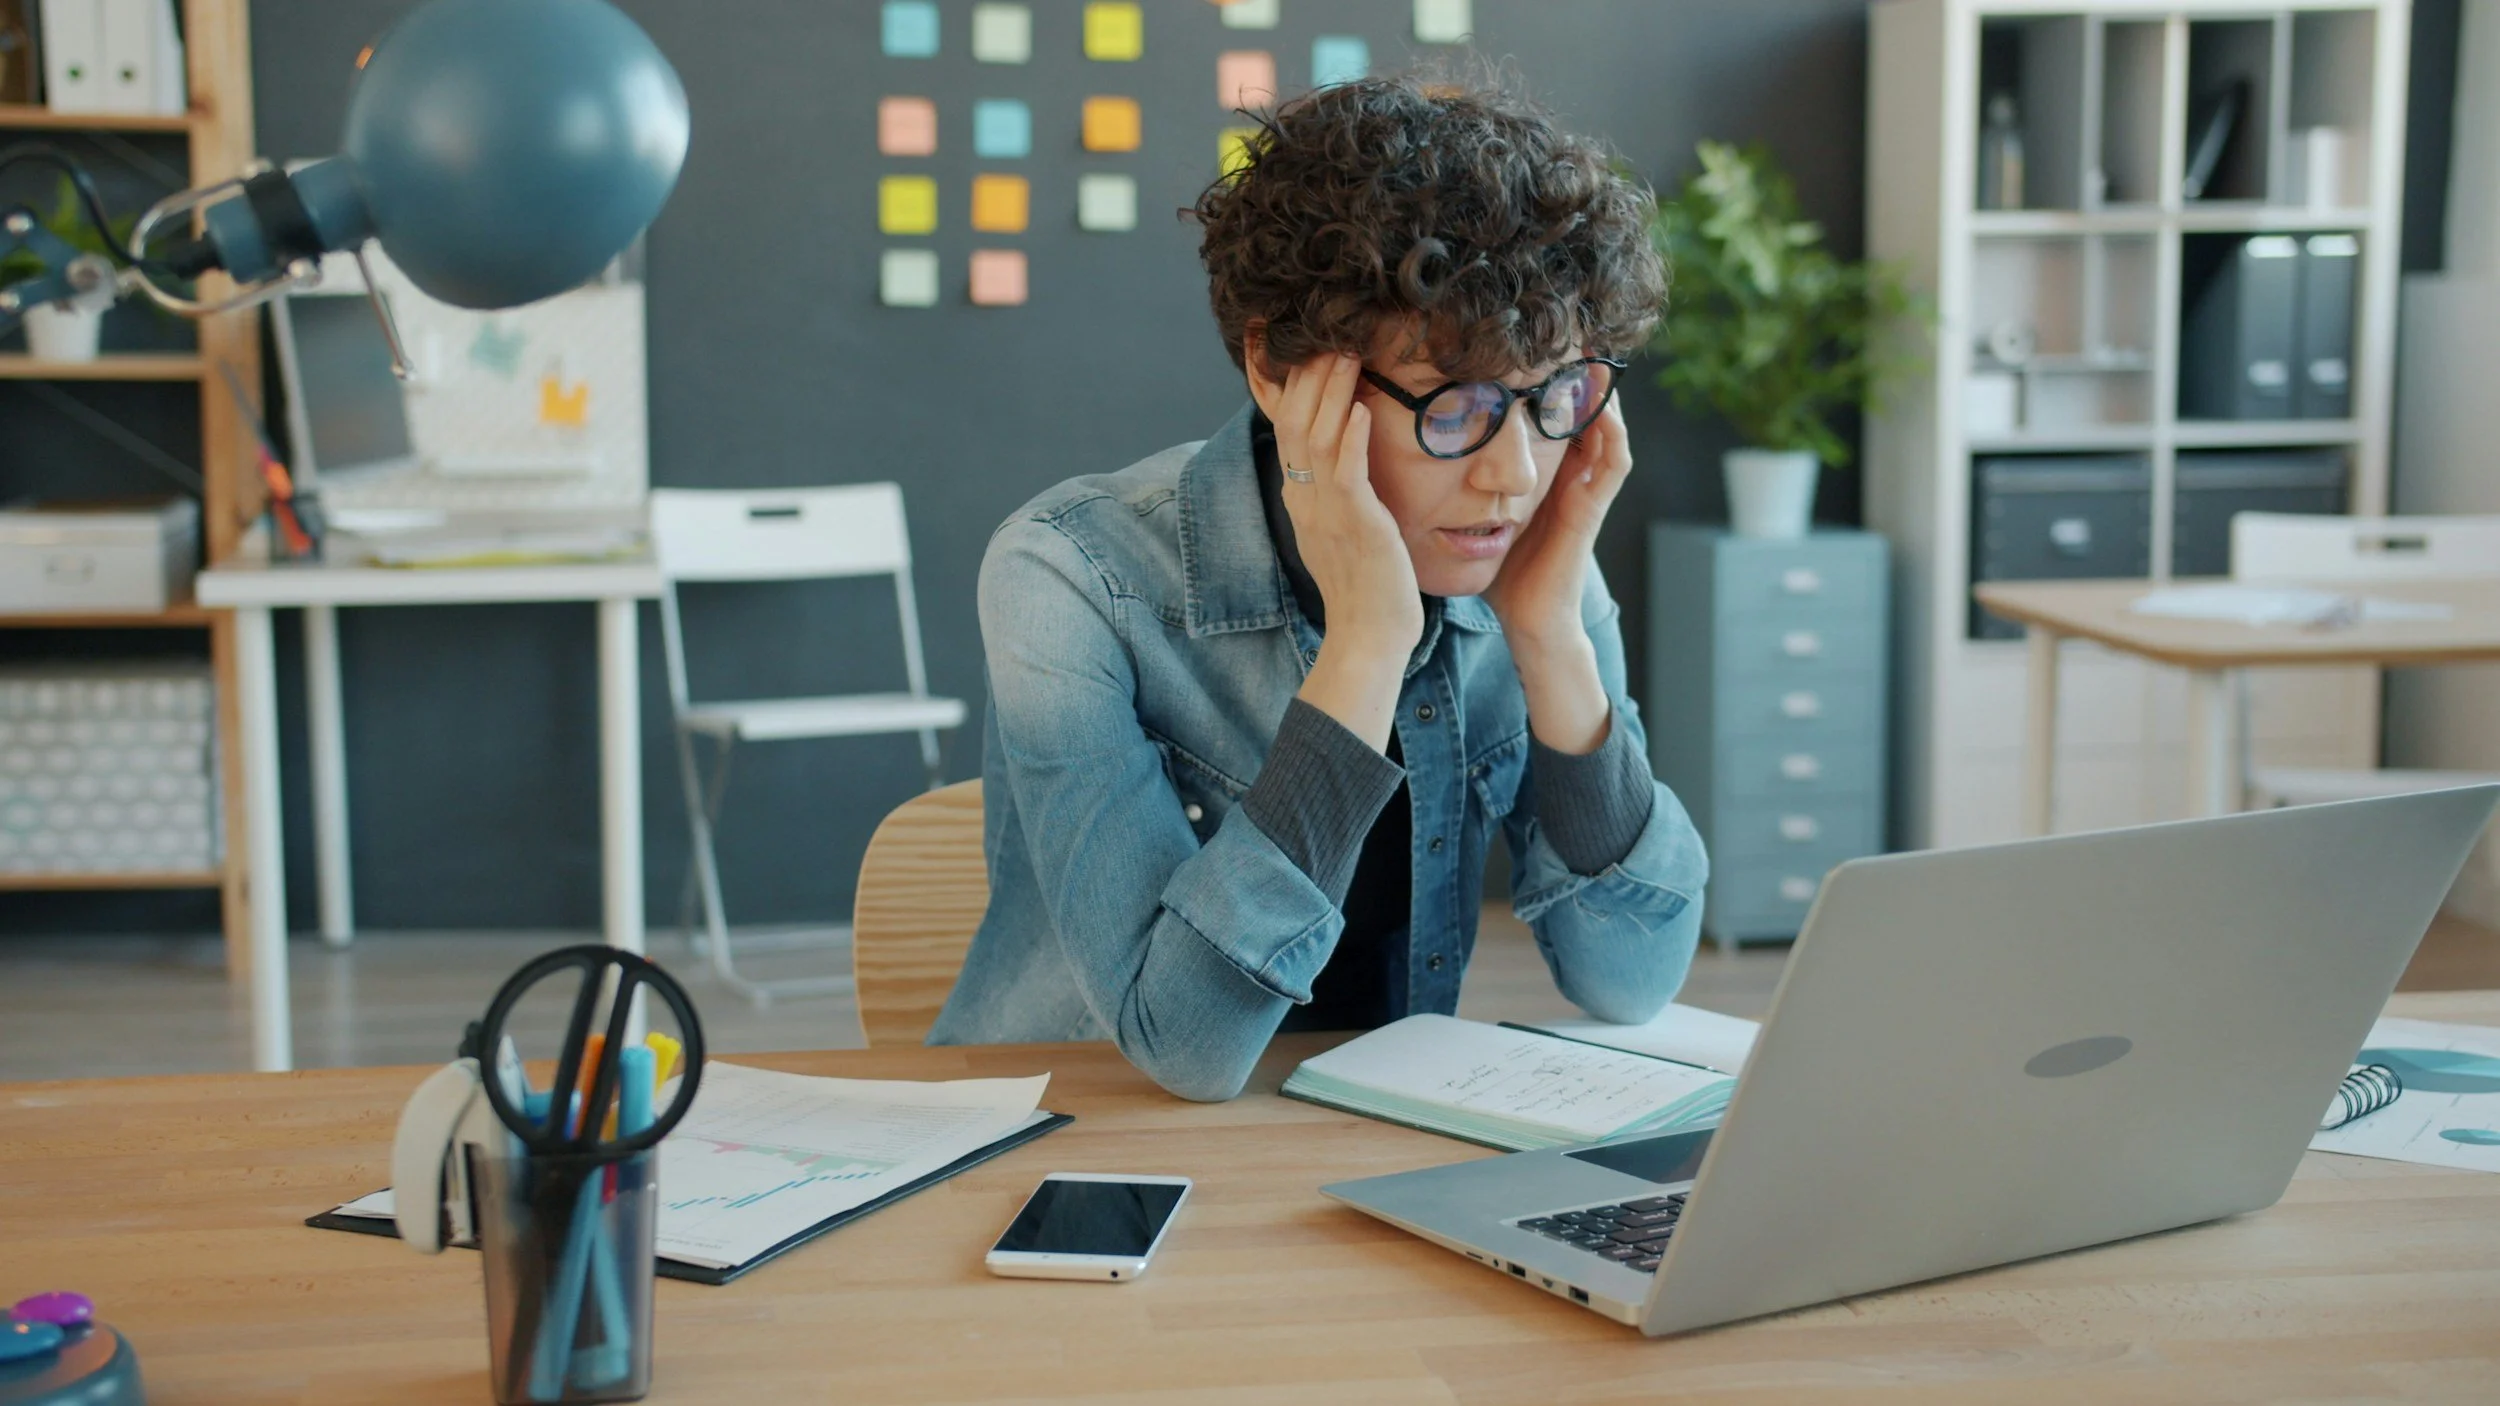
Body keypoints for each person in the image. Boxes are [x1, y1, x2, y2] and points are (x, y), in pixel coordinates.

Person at [928, 74, 1707, 1101]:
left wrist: (1553, 634)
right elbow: (1185, 1047)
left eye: (1553, 393)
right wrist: (1366, 646)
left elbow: (1632, 978)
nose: (1514, 473)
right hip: (1077, 1142)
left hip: (1356, 1139)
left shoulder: (1521, 560)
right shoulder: (1074, 575)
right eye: (1455, 407)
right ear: (1279, 369)